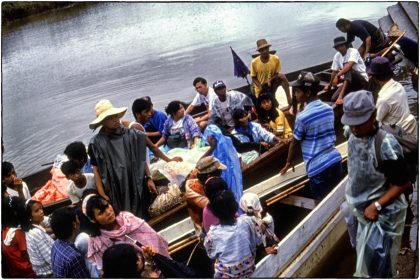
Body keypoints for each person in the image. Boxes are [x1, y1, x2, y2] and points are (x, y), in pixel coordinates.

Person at [341, 90, 411, 277]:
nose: (354, 129)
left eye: (359, 123)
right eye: (351, 124)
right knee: (363, 255)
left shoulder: (385, 144)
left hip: (381, 215)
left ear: (373, 116)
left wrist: (377, 205)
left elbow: (403, 183)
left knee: (379, 265)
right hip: (360, 209)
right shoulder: (352, 133)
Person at [88, 99, 156, 219]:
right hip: (115, 186)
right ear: (102, 122)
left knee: (142, 211)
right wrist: (102, 193)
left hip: (135, 179)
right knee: (122, 215)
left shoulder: (130, 134)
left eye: (115, 116)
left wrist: (149, 177)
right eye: (110, 118)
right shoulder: (96, 143)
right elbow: (96, 169)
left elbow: (140, 158)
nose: (115, 120)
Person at [280, 72, 342, 200]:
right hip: (335, 160)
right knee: (338, 199)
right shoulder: (329, 109)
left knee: (322, 204)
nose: (296, 95)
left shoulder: (302, 117)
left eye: (298, 92)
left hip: (317, 168)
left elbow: (294, 143)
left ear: (307, 93)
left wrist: (288, 162)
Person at [83, 195, 170, 270]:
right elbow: (107, 270)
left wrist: (150, 256)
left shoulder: (128, 219)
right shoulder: (97, 242)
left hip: (159, 263)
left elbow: (155, 239)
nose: (108, 212)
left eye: (107, 206)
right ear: (92, 220)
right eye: (101, 212)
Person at [204, 189, 262, 278]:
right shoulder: (248, 221)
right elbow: (257, 241)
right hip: (249, 269)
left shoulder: (212, 234)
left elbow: (211, 255)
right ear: (235, 206)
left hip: (228, 275)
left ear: (215, 213)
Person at [368, 57, 417, 137]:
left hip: (396, 135)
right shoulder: (399, 86)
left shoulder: (383, 99)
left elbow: (375, 121)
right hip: (408, 128)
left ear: (375, 78)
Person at [184, 156, 227, 231]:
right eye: (218, 172)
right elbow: (216, 205)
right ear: (209, 176)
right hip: (207, 227)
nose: (220, 174)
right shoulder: (194, 190)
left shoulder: (209, 183)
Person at [203, 125, 243, 202]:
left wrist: (212, 148)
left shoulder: (223, 144)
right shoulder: (225, 142)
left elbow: (199, 164)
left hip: (223, 184)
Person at [325, 36, 369, 105]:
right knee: (333, 98)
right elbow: (334, 71)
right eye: (337, 47)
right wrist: (329, 85)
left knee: (348, 70)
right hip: (349, 82)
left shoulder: (353, 51)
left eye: (342, 45)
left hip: (361, 79)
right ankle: (344, 98)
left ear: (345, 45)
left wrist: (338, 75)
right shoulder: (337, 56)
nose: (340, 48)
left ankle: (341, 97)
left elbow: (348, 67)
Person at [50, 206, 90, 278]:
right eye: (77, 218)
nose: (79, 221)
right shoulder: (74, 257)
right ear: (74, 224)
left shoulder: (56, 243)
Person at [1, 196, 36, 278]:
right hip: (28, 271)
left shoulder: (5, 229)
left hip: (16, 272)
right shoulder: (18, 233)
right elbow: (28, 255)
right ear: (17, 213)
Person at [250, 38, 292, 106]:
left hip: (271, 84)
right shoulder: (254, 62)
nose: (264, 51)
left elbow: (277, 73)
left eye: (266, 48)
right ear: (259, 51)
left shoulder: (275, 59)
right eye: (262, 50)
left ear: (268, 48)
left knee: (282, 77)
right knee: (269, 104)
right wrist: (260, 86)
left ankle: (289, 100)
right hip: (261, 87)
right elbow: (253, 77)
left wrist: (270, 80)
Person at [20, 199, 54, 277]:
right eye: (37, 211)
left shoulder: (34, 227)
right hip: (49, 273)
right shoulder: (35, 232)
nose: (41, 211)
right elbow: (51, 258)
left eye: (41, 208)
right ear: (29, 216)